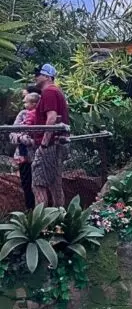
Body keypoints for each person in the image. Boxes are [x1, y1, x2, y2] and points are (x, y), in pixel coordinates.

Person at [32, 63, 70, 208]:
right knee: (55, 184)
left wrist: (44, 144)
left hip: (49, 145)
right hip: (57, 144)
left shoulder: (49, 92)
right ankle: (59, 219)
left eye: (38, 74)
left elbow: (52, 118)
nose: (35, 77)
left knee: (38, 185)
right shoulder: (56, 91)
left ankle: (41, 223)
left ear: (47, 76)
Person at [9, 87, 40, 210]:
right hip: (24, 156)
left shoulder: (41, 115)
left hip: (38, 155)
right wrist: (21, 138)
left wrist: (29, 140)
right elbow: (12, 133)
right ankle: (30, 210)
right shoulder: (22, 114)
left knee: (39, 184)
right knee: (26, 183)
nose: (24, 102)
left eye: (26, 98)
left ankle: (41, 210)